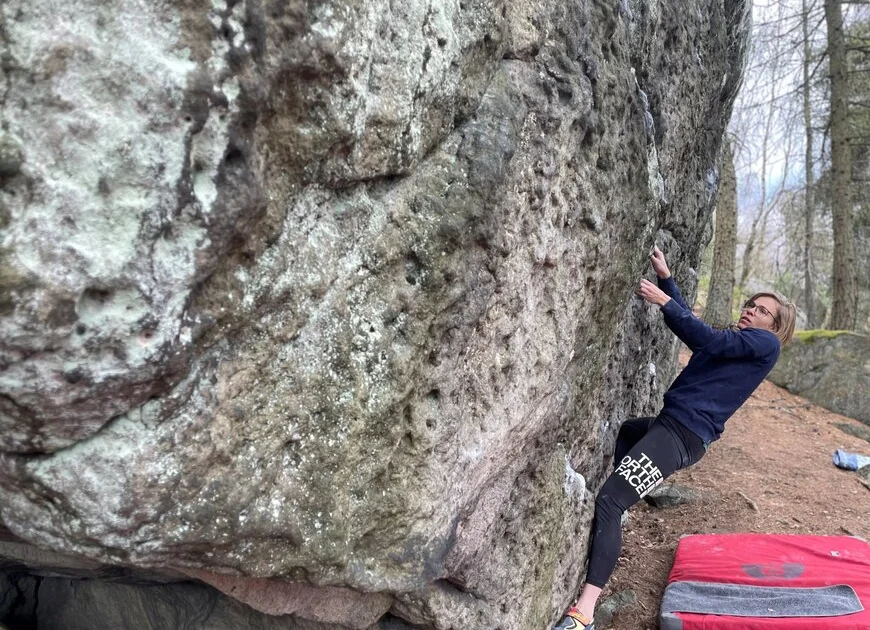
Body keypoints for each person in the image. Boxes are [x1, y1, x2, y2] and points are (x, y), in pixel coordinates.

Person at [553, 245, 796, 630]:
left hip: (680, 435)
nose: (750, 309)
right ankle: (622, 508)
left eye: (761, 310)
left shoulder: (766, 344)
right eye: (751, 304)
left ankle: (584, 612)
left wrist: (664, 299)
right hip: (673, 427)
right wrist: (667, 279)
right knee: (630, 430)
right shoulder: (742, 344)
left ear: (776, 324)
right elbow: (699, 334)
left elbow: (705, 340)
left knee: (610, 502)